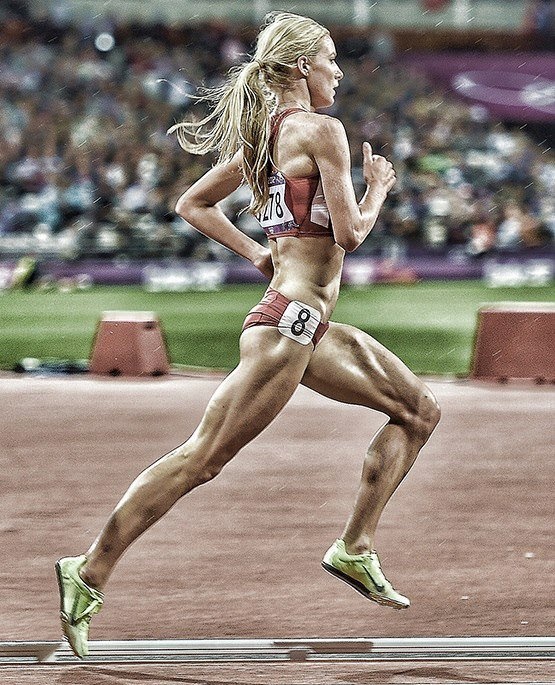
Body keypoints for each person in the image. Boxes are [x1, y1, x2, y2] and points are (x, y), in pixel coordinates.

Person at [56, 12, 441, 659]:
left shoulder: (264, 138)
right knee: (203, 457)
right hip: (288, 328)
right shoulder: (321, 131)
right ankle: (88, 569)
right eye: (330, 59)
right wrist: (377, 190)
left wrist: (259, 255)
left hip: (304, 323)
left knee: (418, 410)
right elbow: (349, 235)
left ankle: (355, 545)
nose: (338, 71)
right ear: (300, 68)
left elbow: (193, 204)